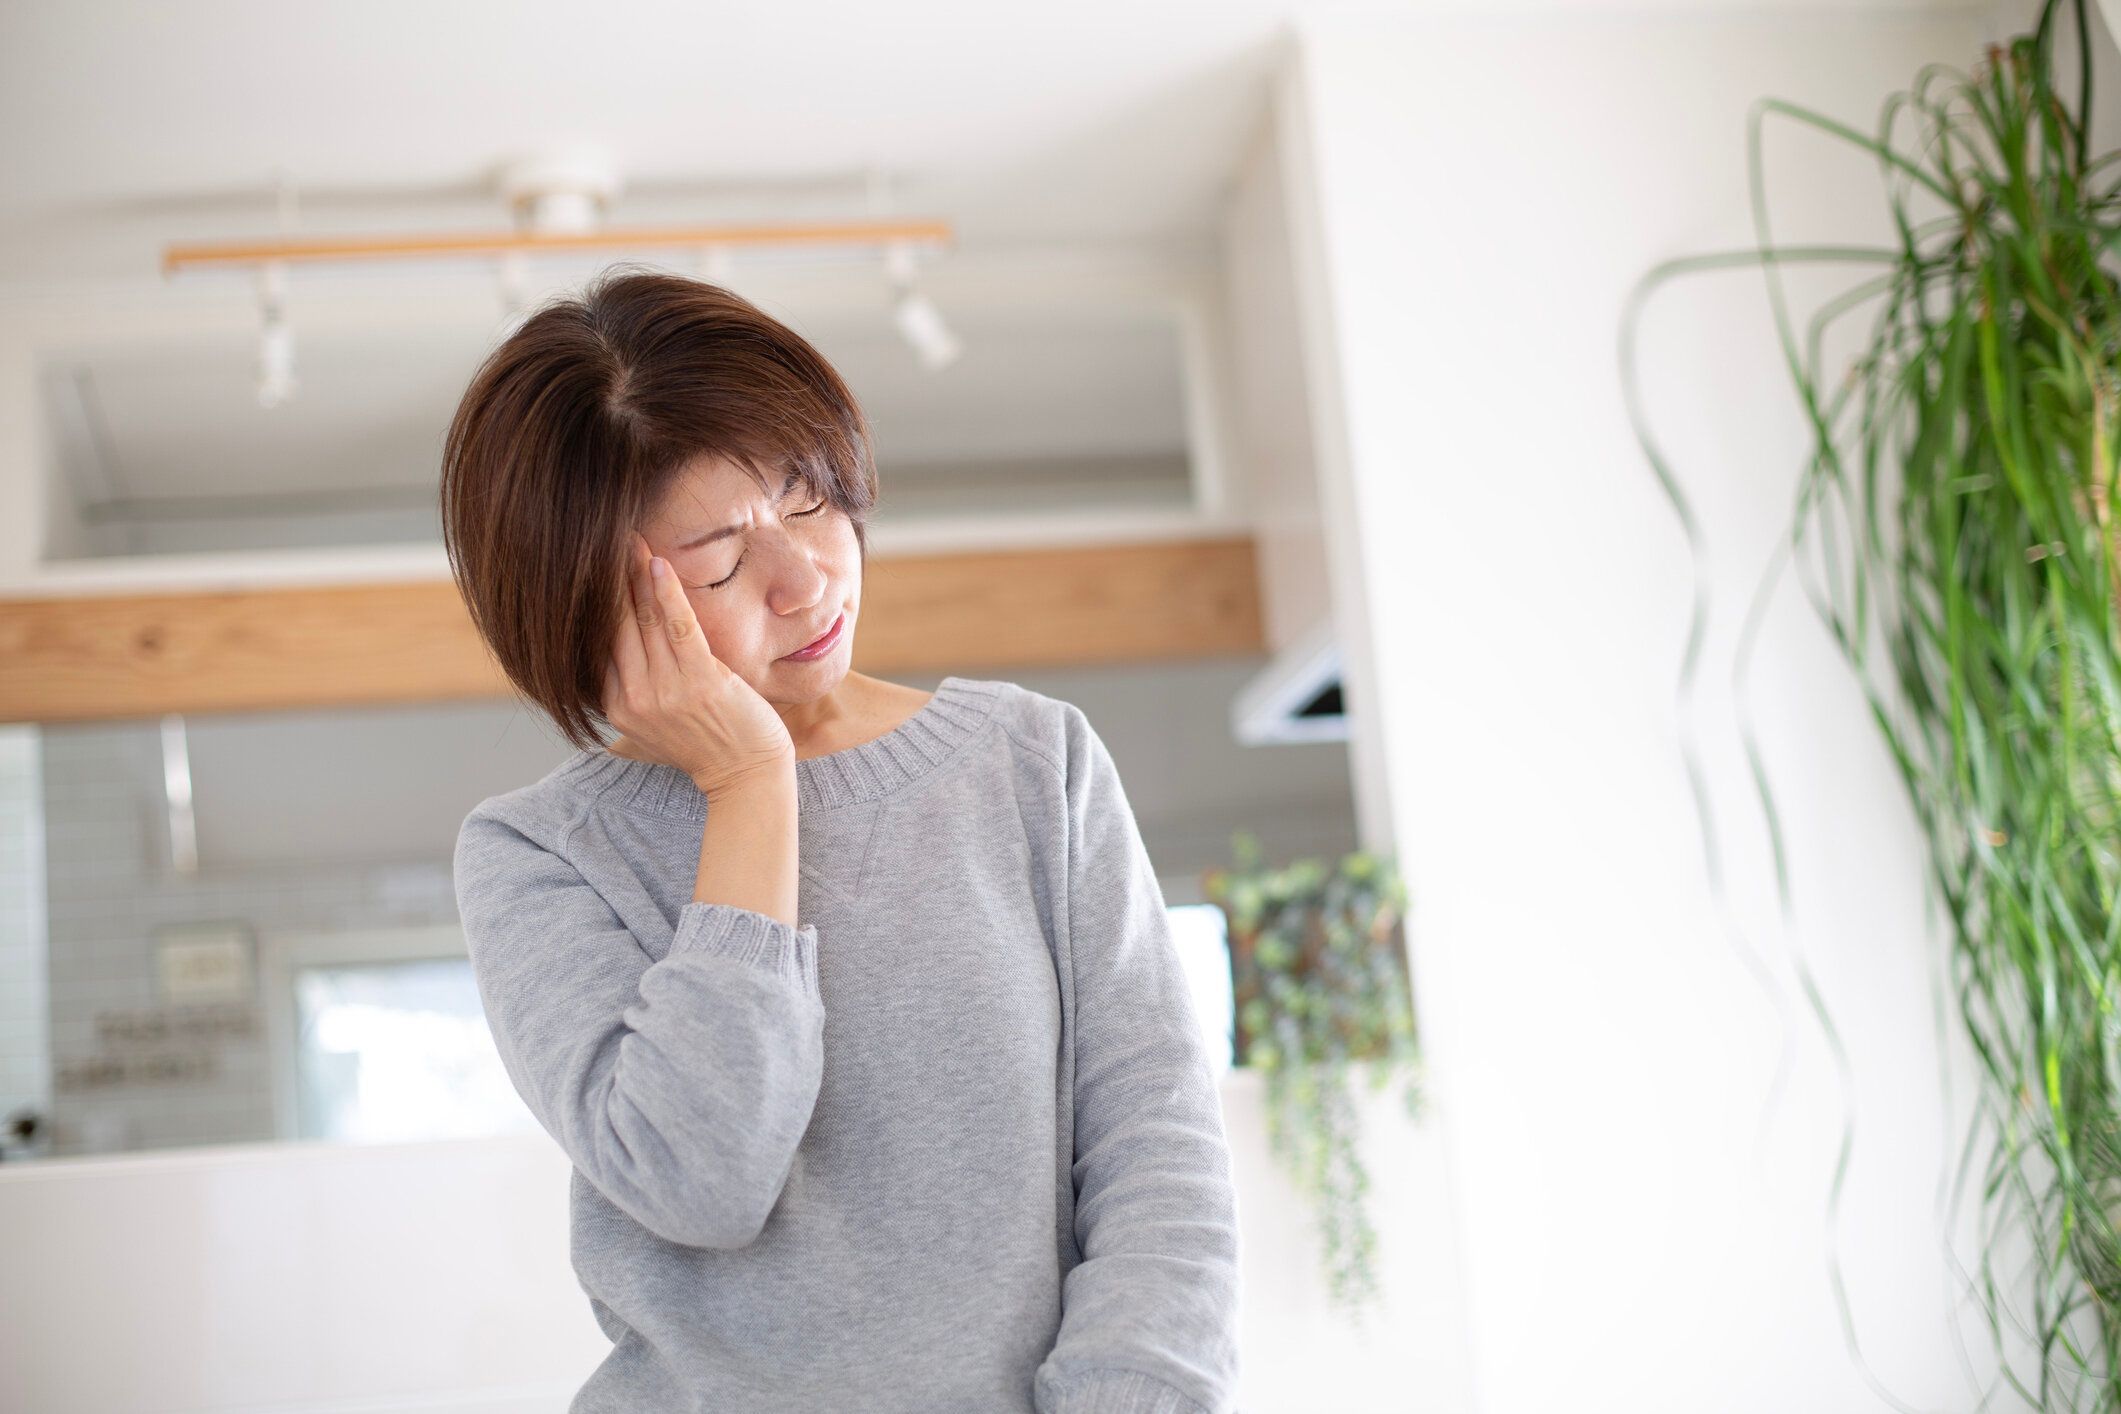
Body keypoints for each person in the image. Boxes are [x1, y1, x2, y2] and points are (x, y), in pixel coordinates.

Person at [439, 264, 1241, 1413]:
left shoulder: (1031, 763)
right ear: (587, 609)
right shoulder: (537, 856)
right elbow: (701, 1176)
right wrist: (748, 780)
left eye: (809, 498)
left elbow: (1159, 1159)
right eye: (719, 561)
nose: (805, 575)